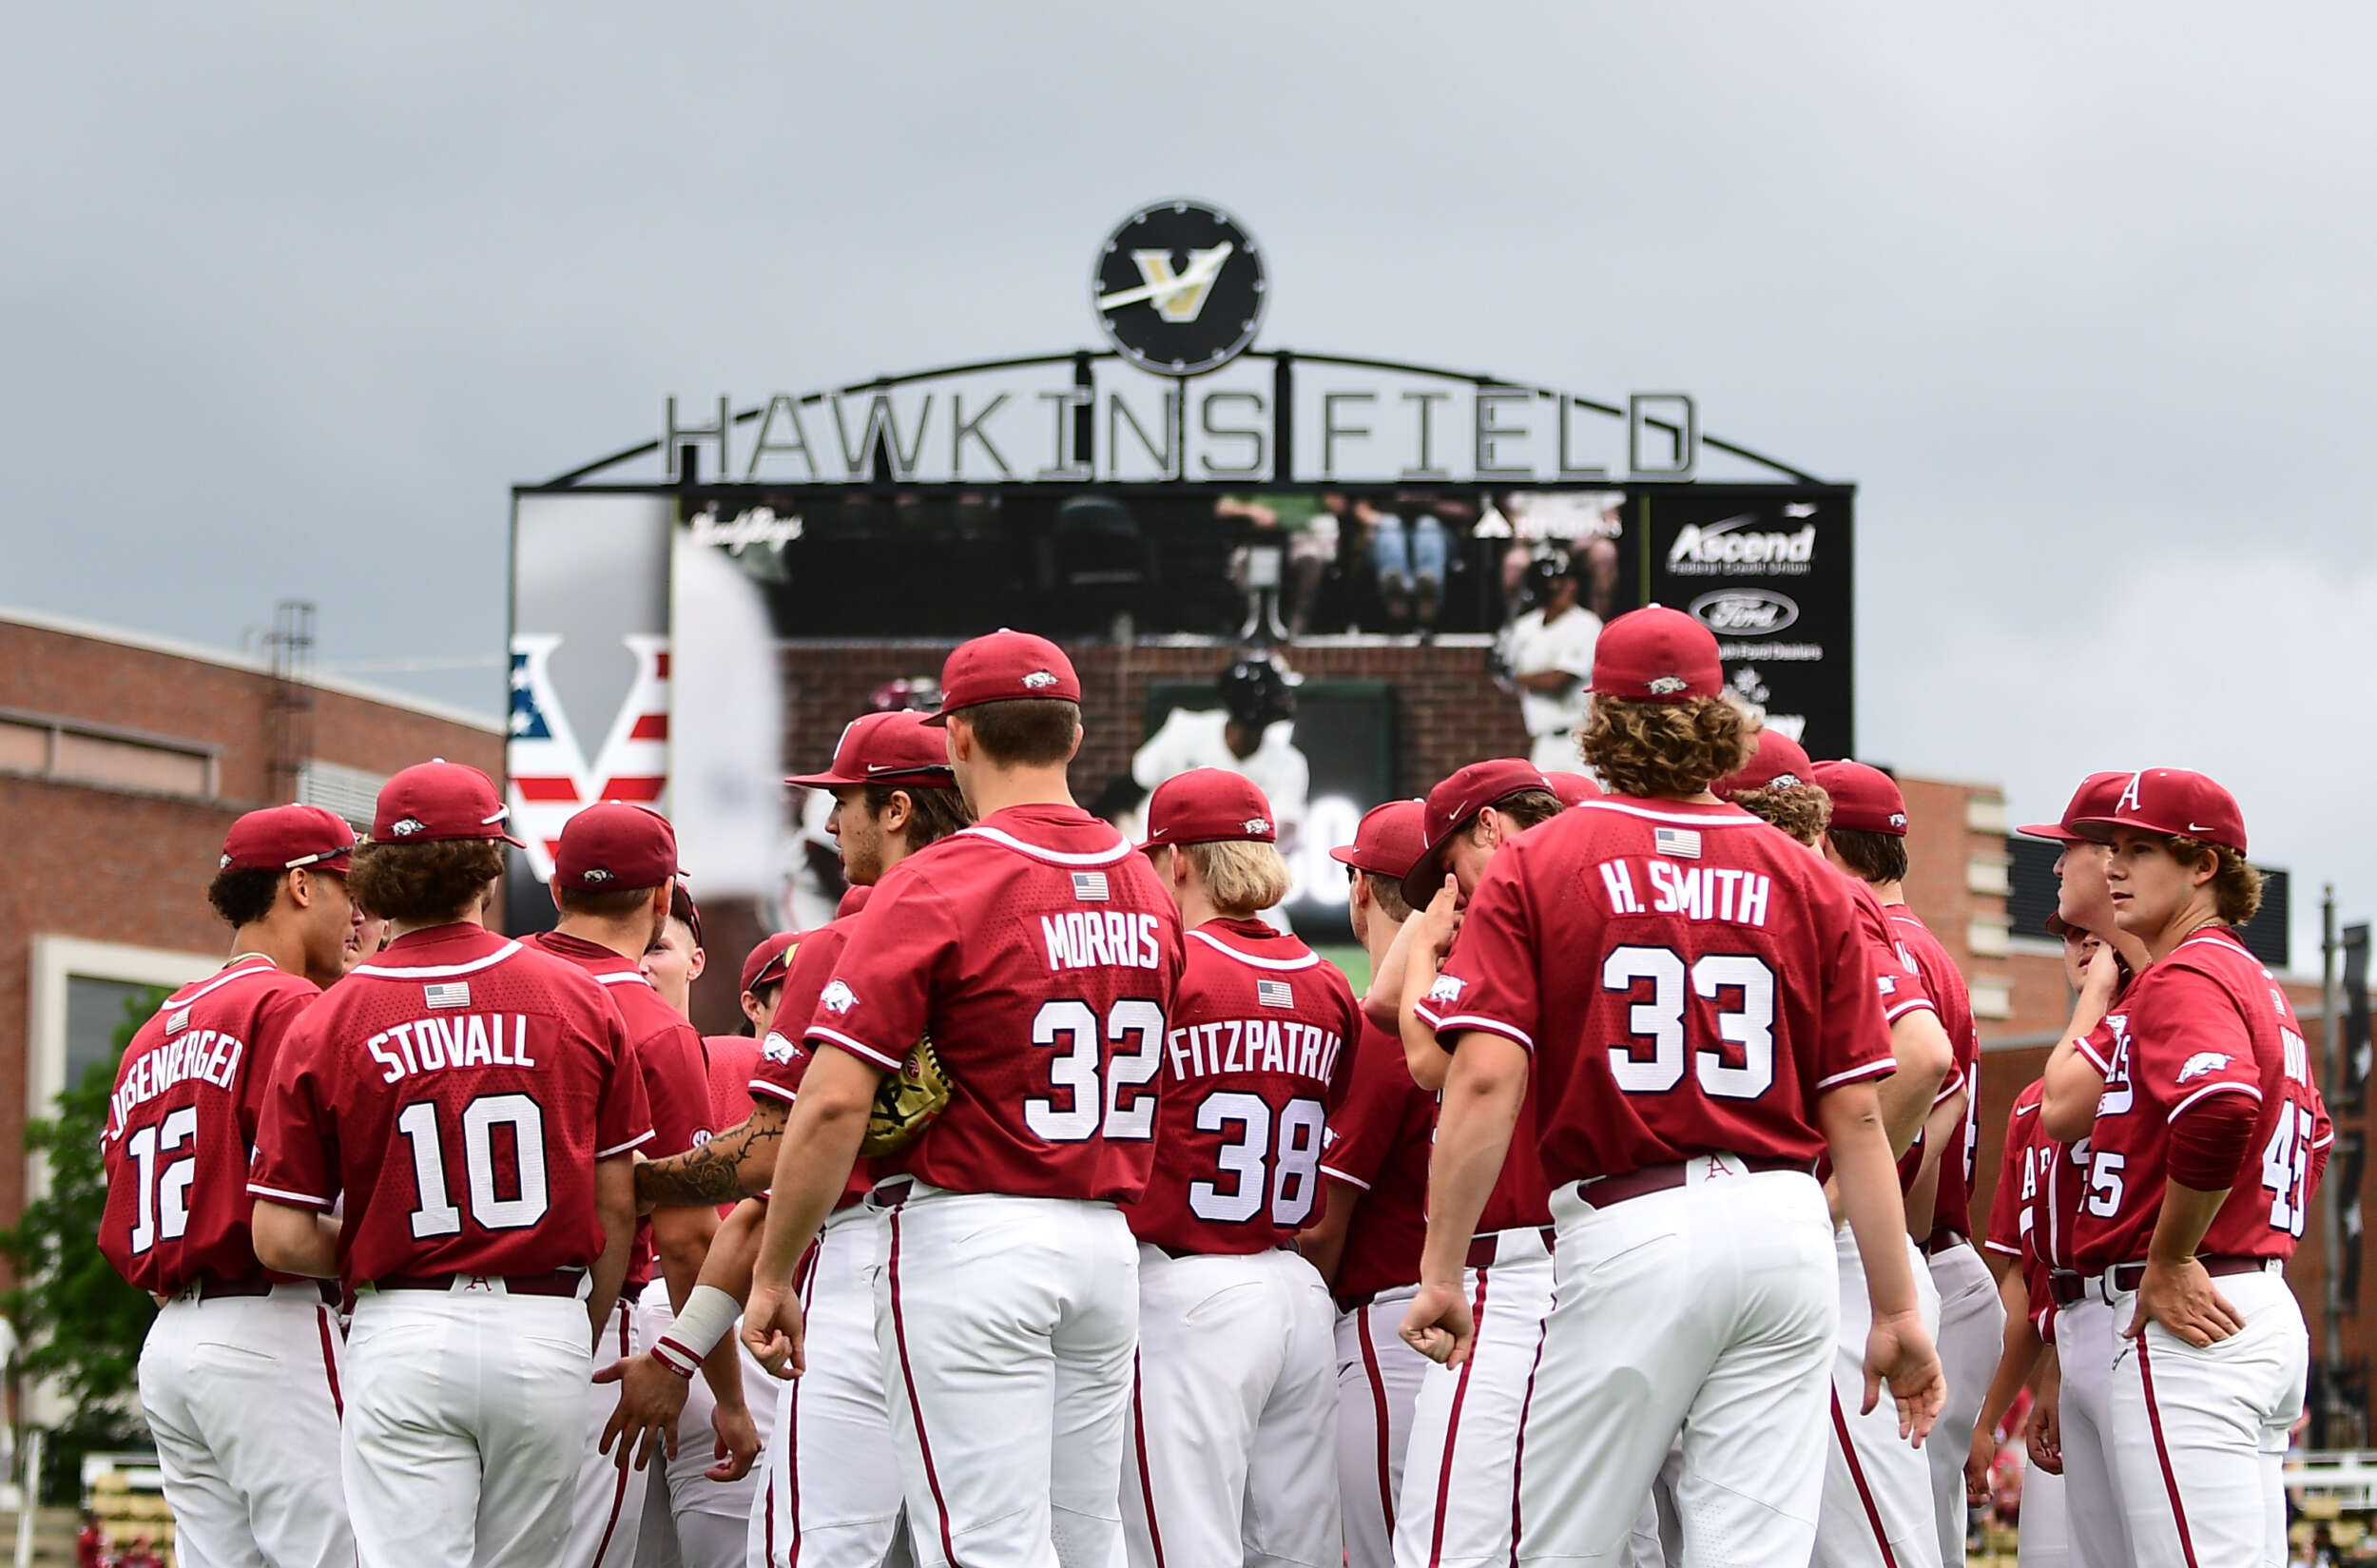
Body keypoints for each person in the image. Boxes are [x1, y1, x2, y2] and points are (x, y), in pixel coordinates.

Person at [1399, 606, 1944, 1568]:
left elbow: (1482, 1079)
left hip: (1632, 1219)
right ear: (1719, 716)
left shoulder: (1541, 856)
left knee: (1561, 1546)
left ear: (1597, 717)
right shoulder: (1801, 871)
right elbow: (1858, 1107)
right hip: (1782, 1226)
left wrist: (1441, 1269)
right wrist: (1897, 1307)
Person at [738, 629, 1184, 1568]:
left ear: (960, 737)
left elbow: (827, 1104)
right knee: (1085, 1535)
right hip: (1105, 1240)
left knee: (983, 1541)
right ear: (1070, 735)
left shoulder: (945, 873)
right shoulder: (1144, 881)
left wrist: (774, 1270)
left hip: (973, 1237)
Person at [247, 760, 651, 1568]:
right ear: (492, 867)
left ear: (376, 875)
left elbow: (279, 1236)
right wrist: (584, 1322)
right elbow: (617, 1202)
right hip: (544, 1321)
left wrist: (380, 1245)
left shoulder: (330, 1016)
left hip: (404, 1323)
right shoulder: (579, 996)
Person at [618, 707, 967, 1568]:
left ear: (896, 810)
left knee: (815, 1545)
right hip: (1057, 1259)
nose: (828, 818)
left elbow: (768, 1161)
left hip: (871, 1261)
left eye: (843, 798)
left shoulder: (853, 939)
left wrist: (640, 1182)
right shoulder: (1026, 922)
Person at [2058, 770, 2329, 1566]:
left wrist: (2175, 1253)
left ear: (2204, 864)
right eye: (2111, 848)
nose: (2113, 866)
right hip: (2253, 1298)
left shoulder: (2186, 970)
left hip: (2192, 1316)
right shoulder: (2256, 980)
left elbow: (2221, 1106)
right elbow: (2313, 1140)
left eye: (2140, 849)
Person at [98, 804, 359, 1568]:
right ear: (302, 885)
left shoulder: (155, 1025)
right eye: (348, 886)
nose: (360, 910)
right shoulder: (288, 1004)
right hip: (269, 1323)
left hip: (172, 1337)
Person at [1720, 733, 1952, 1568]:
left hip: (1838, 1250)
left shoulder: (1814, 898)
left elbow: (1927, 1060)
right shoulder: (1840, 903)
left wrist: (1827, 1196)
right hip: (1843, 1241)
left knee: (1873, 1546)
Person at [1119, 768, 1358, 1568]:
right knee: (1299, 1548)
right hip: (1293, 1285)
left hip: (1191, 1289)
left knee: (1183, 1545)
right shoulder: (1328, 982)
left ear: (1179, 860)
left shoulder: (1172, 965)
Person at [530, 803, 757, 1568]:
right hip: (580, 1329)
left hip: (411, 1319)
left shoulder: (487, 982)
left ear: (558, 888)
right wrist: (724, 1393)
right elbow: (691, 1239)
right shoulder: (652, 1023)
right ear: (662, 898)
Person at [1816, 759, 2007, 1564]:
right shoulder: (1929, 948)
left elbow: (1927, 1111)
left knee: (1892, 1541)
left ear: (1826, 839)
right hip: (1933, 1262)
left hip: (1903, 1257)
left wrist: (1835, 1201)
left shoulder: (1886, 944)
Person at [1380, 759, 1567, 1568]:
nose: (1448, 894)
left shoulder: (1523, 911)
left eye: (1450, 866)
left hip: (1516, 1271)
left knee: (1445, 1540)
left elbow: (1420, 1048)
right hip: (1616, 1253)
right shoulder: (1604, 899)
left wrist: (1424, 936)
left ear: (1490, 827)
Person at [1298, 799, 1439, 1568]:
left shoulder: (1385, 1031)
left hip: (1395, 1331)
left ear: (1361, 892)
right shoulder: (1484, 998)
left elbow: (1321, 1226)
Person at [2020, 771, 2150, 1568]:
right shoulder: (2131, 1003)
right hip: (2087, 1308)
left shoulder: (2171, 995)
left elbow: (2063, 1106)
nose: (2055, 865)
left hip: (2152, 1301)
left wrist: (2182, 1256)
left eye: (2065, 851)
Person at [1129, 655, 1310, 890]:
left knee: (1273, 922)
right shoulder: (1186, 730)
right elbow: (1136, 783)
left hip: (1235, 875)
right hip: (1160, 862)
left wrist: (1246, 866)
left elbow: (1286, 830)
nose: (1284, 698)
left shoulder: (1289, 763)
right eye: (1276, 692)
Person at [1498, 553, 1602, 773]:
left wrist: (1514, 676)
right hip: (1543, 741)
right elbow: (1502, 675)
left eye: (1571, 580)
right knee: (1541, 804)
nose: (1570, 587)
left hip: (1579, 740)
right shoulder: (1524, 627)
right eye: (1561, 581)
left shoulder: (1586, 624)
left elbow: (1558, 680)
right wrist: (1499, 666)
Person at [1215, 492, 1337, 638]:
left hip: (1302, 537)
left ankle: (1296, 632)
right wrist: (1253, 510)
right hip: (1258, 538)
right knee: (1240, 564)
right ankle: (1253, 626)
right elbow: (1222, 507)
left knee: (1312, 558)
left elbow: (1340, 505)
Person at [1356, 494, 1448, 633]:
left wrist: (1430, 505)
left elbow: (1469, 511)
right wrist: (1380, 521)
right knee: (1390, 525)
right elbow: (1360, 509)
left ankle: (1428, 595)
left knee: (1427, 525)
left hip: (1440, 534)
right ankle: (1396, 594)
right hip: (1385, 535)